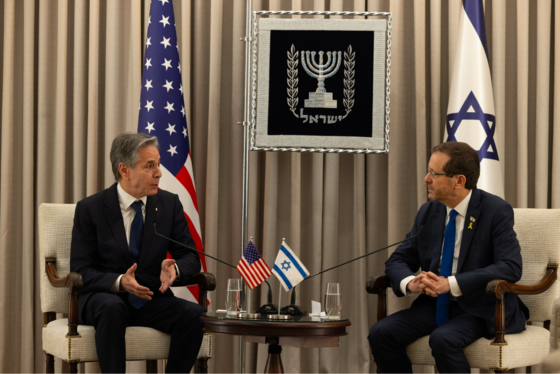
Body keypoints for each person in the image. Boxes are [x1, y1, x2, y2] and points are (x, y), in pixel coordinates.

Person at [368, 142, 529, 374]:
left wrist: (451, 283)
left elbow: (510, 267)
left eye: (434, 173)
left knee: (443, 339)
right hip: (434, 305)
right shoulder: (429, 211)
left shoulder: (496, 211)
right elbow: (398, 260)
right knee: (381, 333)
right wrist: (410, 283)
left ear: (459, 181)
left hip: (479, 307)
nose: (426, 178)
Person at [70, 132, 204, 374]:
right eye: (149, 166)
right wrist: (120, 282)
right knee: (112, 308)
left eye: (158, 164)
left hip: (150, 299)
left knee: (194, 314)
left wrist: (176, 268)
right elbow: (81, 271)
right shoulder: (90, 209)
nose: (159, 173)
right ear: (125, 170)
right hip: (103, 299)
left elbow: (190, 257)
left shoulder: (169, 204)